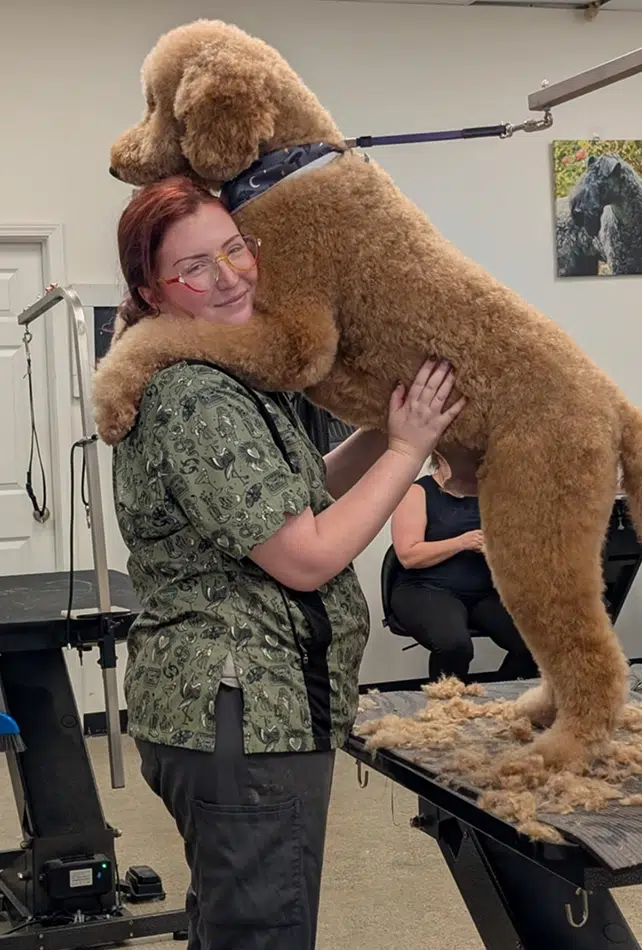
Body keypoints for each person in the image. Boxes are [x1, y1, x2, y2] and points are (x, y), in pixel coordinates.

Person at [103, 175, 466, 950]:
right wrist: (410, 450)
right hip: (245, 717)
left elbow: (296, 495)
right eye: (195, 266)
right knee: (262, 932)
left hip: (242, 716)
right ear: (151, 289)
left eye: (235, 249)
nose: (229, 276)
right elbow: (304, 557)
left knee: (234, 922)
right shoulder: (196, 395)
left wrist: (383, 425)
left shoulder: (226, 375)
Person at [390, 451, 537, 683]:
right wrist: (461, 543)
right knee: (454, 646)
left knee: (539, 641)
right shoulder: (417, 492)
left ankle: (495, 698)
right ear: (443, 457)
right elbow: (408, 555)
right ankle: (444, 706)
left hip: (483, 593)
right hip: (425, 589)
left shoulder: (493, 494)